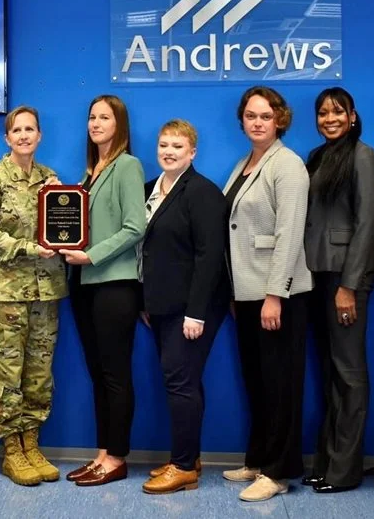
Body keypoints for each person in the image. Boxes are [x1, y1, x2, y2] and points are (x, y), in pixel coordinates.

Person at [222, 86, 312, 502]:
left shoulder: (288, 165)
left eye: (265, 116)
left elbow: (289, 234)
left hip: (277, 295)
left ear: (280, 120)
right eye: (251, 115)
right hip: (247, 291)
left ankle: (278, 472)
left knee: (280, 385)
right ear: (242, 119)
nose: (257, 122)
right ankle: (258, 459)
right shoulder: (247, 162)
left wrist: (275, 294)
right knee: (257, 382)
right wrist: (239, 294)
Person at [0, 106, 67, 485]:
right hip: (6, 294)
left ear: (39, 136)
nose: (24, 135)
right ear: (7, 138)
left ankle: (32, 443)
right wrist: (29, 248)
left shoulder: (52, 180)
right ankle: (12, 450)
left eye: (30, 129)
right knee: (9, 374)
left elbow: (67, 225)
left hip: (46, 293)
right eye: (17, 130)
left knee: (40, 374)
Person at [138, 119, 229, 494]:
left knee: (180, 381)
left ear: (192, 153)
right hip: (160, 304)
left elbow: (209, 257)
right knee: (183, 381)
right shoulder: (150, 190)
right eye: (164, 145)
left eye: (178, 146)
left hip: (192, 307)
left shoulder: (203, 193)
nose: (169, 152)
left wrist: (196, 312)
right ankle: (188, 457)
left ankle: (184, 466)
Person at [61, 95, 145, 487]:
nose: (96, 123)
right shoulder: (88, 174)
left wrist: (91, 256)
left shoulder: (128, 166)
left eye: (104, 118)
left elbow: (135, 227)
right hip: (83, 286)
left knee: (115, 375)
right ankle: (102, 454)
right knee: (98, 374)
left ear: (119, 124)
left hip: (114, 284)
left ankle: (117, 457)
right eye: (92, 117)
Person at [301, 87, 374, 493]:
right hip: (316, 276)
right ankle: (327, 462)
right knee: (330, 373)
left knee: (349, 373)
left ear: (352, 115)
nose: (329, 119)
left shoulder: (363, 155)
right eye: (322, 113)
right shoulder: (317, 157)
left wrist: (348, 286)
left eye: (337, 112)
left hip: (345, 279)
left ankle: (345, 471)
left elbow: (367, 224)